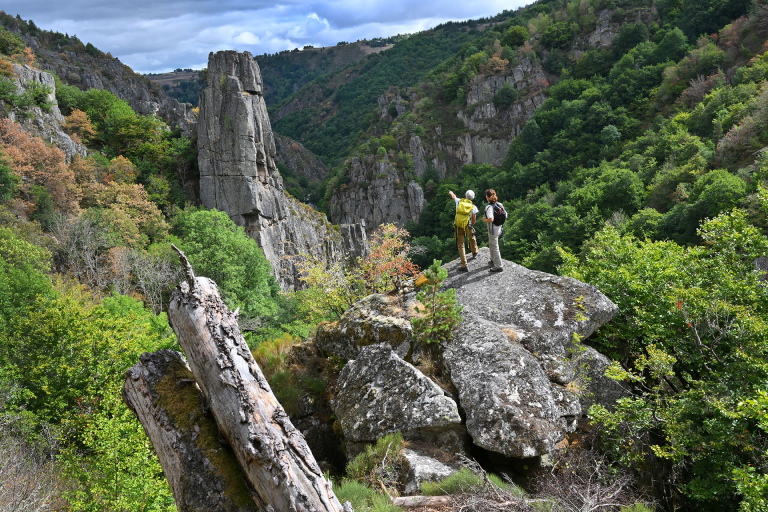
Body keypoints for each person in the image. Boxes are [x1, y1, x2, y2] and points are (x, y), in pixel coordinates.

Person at [449, 189, 478, 272]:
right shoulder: (473, 207)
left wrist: (451, 192)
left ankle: (464, 265)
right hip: (468, 225)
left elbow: (454, 197)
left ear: (465, 196)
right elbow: (474, 219)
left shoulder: (459, 201)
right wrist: (471, 225)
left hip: (458, 226)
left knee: (461, 245)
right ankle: (475, 252)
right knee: (472, 237)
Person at [483, 188, 504, 272]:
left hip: (493, 230)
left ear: (487, 197)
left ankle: (498, 266)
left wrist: (485, 219)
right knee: (492, 244)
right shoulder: (500, 204)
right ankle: (493, 260)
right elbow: (506, 215)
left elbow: (491, 219)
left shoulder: (489, 207)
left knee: (494, 246)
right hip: (499, 228)